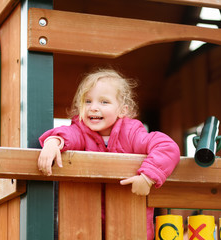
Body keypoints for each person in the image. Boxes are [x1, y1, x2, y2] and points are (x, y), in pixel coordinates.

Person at [38, 68, 180, 239]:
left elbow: (167, 146)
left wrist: (148, 177)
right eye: (87, 101)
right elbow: (68, 135)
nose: (94, 108)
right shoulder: (80, 131)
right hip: (85, 226)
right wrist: (53, 142)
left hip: (129, 224)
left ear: (122, 110)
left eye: (104, 102)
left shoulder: (131, 133)